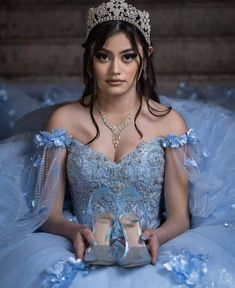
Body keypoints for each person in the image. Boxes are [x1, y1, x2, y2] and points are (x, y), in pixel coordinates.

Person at [0, 1, 234, 287]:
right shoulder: (64, 120)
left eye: (127, 57)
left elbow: (178, 218)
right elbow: (48, 213)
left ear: (145, 58)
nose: (114, 69)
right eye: (103, 56)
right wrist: (74, 231)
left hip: (150, 247)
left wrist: (155, 237)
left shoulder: (170, 125)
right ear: (89, 59)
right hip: (81, 244)